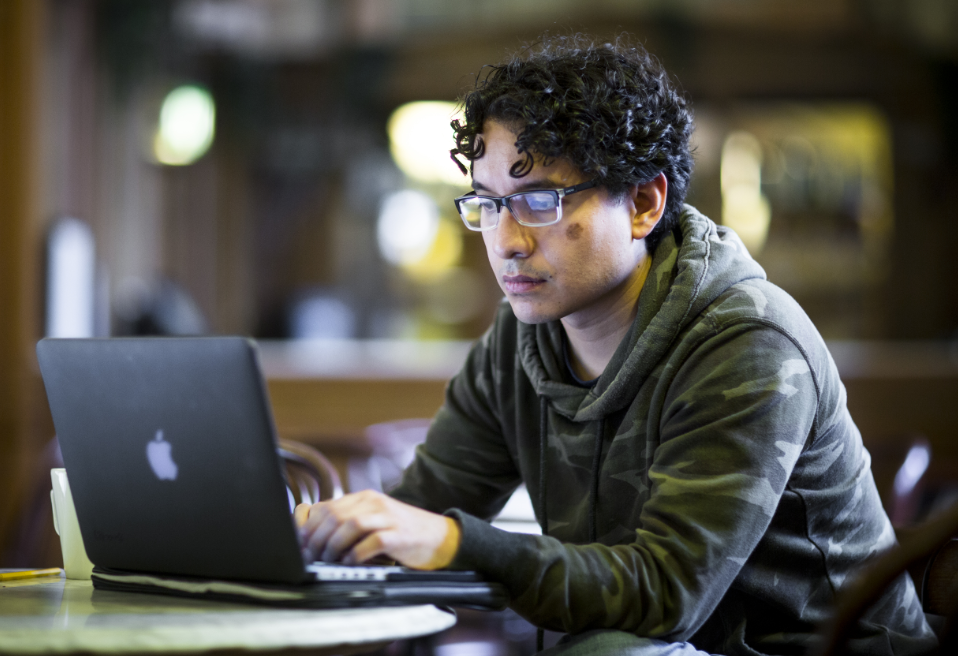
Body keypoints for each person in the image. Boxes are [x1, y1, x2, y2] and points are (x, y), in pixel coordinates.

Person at [296, 35, 937, 655]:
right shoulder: (520, 340)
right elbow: (422, 511)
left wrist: (453, 543)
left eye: (539, 201)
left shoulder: (746, 342)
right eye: (488, 205)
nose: (507, 241)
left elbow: (665, 596)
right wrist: (318, 535)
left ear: (643, 202)